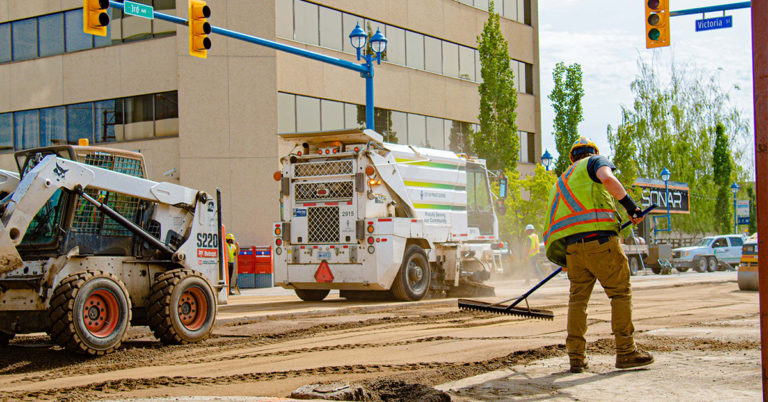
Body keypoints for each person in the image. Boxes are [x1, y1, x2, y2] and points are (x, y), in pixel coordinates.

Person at [543, 137, 653, 373]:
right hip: (601, 244)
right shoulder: (595, 162)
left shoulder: (560, 182)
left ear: (572, 158)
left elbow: (555, 224)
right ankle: (626, 352)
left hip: (573, 250)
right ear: (592, 153)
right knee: (620, 293)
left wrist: (565, 258)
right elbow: (608, 178)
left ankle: (576, 358)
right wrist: (631, 207)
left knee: (577, 301)